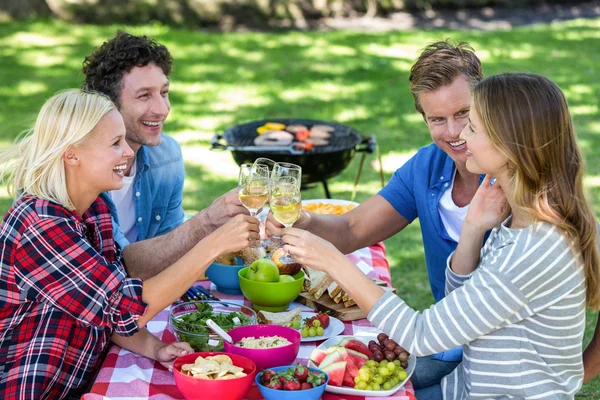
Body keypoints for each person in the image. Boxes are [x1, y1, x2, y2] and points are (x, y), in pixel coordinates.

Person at [281, 73, 600, 398]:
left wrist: (333, 262)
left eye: (471, 126)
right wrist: (473, 229)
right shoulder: (519, 218)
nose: (461, 135)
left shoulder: (537, 247)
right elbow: (458, 299)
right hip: (462, 387)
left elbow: (420, 335)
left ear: (509, 144)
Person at [0, 89, 260, 399]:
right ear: (72, 155)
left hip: (77, 381)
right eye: (115, 144)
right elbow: (128, 309)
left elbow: (108, 307)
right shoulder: (41, 226)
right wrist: (213, 245)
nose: (128, 152)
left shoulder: (94, 208)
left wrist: (155, 347)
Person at [268, 40, 484, 389]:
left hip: (492, 351)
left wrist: (583, 369)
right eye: (437, 119)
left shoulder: (515, 178)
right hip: (445, 339)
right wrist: (302, 220)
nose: (454, 132)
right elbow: (353, 229)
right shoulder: (428, 166)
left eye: (464, 114)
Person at [82, 31, 248, 280]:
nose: (162, 109)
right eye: (144, 95)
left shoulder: (166, 156)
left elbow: (172, 249)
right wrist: (206, 222)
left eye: (164, 92)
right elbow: (121, 267)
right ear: (108, 103)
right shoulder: (76, 169)